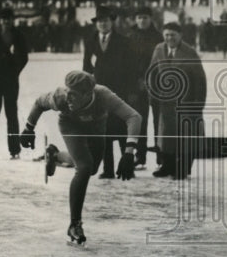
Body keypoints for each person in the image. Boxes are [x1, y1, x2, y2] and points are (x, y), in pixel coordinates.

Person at [20, 70, 142, 245]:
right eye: (67, 92)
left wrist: (129, 152)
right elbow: (39, 103)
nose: (68, 98)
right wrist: (28, 128)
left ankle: (55, 155)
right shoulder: (60, 96)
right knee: (84, 168)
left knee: (91, 169)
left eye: (74, 95)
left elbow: (134, 116)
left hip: (97, 127)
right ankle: (74, 224)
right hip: (70, 126)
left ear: (88, 94)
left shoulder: (103, 95)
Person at [147, 21, 207, 180]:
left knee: (186, 136)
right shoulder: (159, 49)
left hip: (186, 101)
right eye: (166, 35)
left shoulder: (190, 52)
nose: (169, 38)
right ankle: (167, 166)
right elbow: (152, 73)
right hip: (165, 101)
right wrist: (153, 94)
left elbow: (200, 81)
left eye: (173, 35)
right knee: (166, 137)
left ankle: (183, 168)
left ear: (180, 35)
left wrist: (198, 105)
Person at [82, 6, 136, 179]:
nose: (103, 24)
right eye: (100, 21)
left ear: (111, 22)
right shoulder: (90, 41)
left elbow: (131, 69)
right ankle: (108, 169)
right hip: (98, 92)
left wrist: (130, 92)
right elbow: (86, 67)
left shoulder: (123, 41)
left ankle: (127, 166)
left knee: (121, 129)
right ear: (96, 24)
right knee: (103, 129)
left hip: (119, 91)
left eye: (105, 21)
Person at [0, 6, 29, 159]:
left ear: (12, 20)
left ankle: (14, 149)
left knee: (11, 113)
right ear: (0, 21)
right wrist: (0, 61)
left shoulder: (19, 36)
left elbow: (23, 57)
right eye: (3, 19)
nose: (6, 22)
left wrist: (14, 69)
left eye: (8, 19)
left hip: (10, 80)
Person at [128, 7, 163, 169]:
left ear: (151, 19)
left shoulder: (158, 37)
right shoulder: (129, 37)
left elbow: (161, 62)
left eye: (145, 18)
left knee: (159, 121)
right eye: (140, 17)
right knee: (139, 121)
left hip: (156, 84)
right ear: (136, 19)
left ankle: (161, 157)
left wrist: (151, 78)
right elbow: (126, 64)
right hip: (136, 86)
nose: (142, 20)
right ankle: (139, 156)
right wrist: (135, 82)